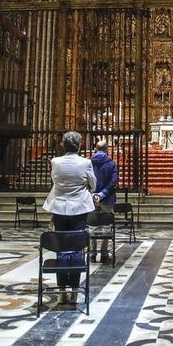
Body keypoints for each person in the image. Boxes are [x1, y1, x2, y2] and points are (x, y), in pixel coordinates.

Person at [43, 130, 97, 303]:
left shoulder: (55, 162)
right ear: (79, 145)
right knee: (76, 247)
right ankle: (74, 289)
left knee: (61, 247)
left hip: (59, 207)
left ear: (63, 145)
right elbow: (93, 184)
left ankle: (61, 291)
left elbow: (55, 180)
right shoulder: (85, 162)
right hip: (79, 208)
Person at [90, 138, 118, 263]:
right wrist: (103, 194)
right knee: (107, 225)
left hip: (91, 198)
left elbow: (85, 179)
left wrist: (92, 193)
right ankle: (104, 254)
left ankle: (92, 253)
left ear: (95, 149)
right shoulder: (111, 163)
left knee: (92, 225)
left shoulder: (89, 163)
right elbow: (113, 181)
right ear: (107, 150)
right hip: (107, 198)